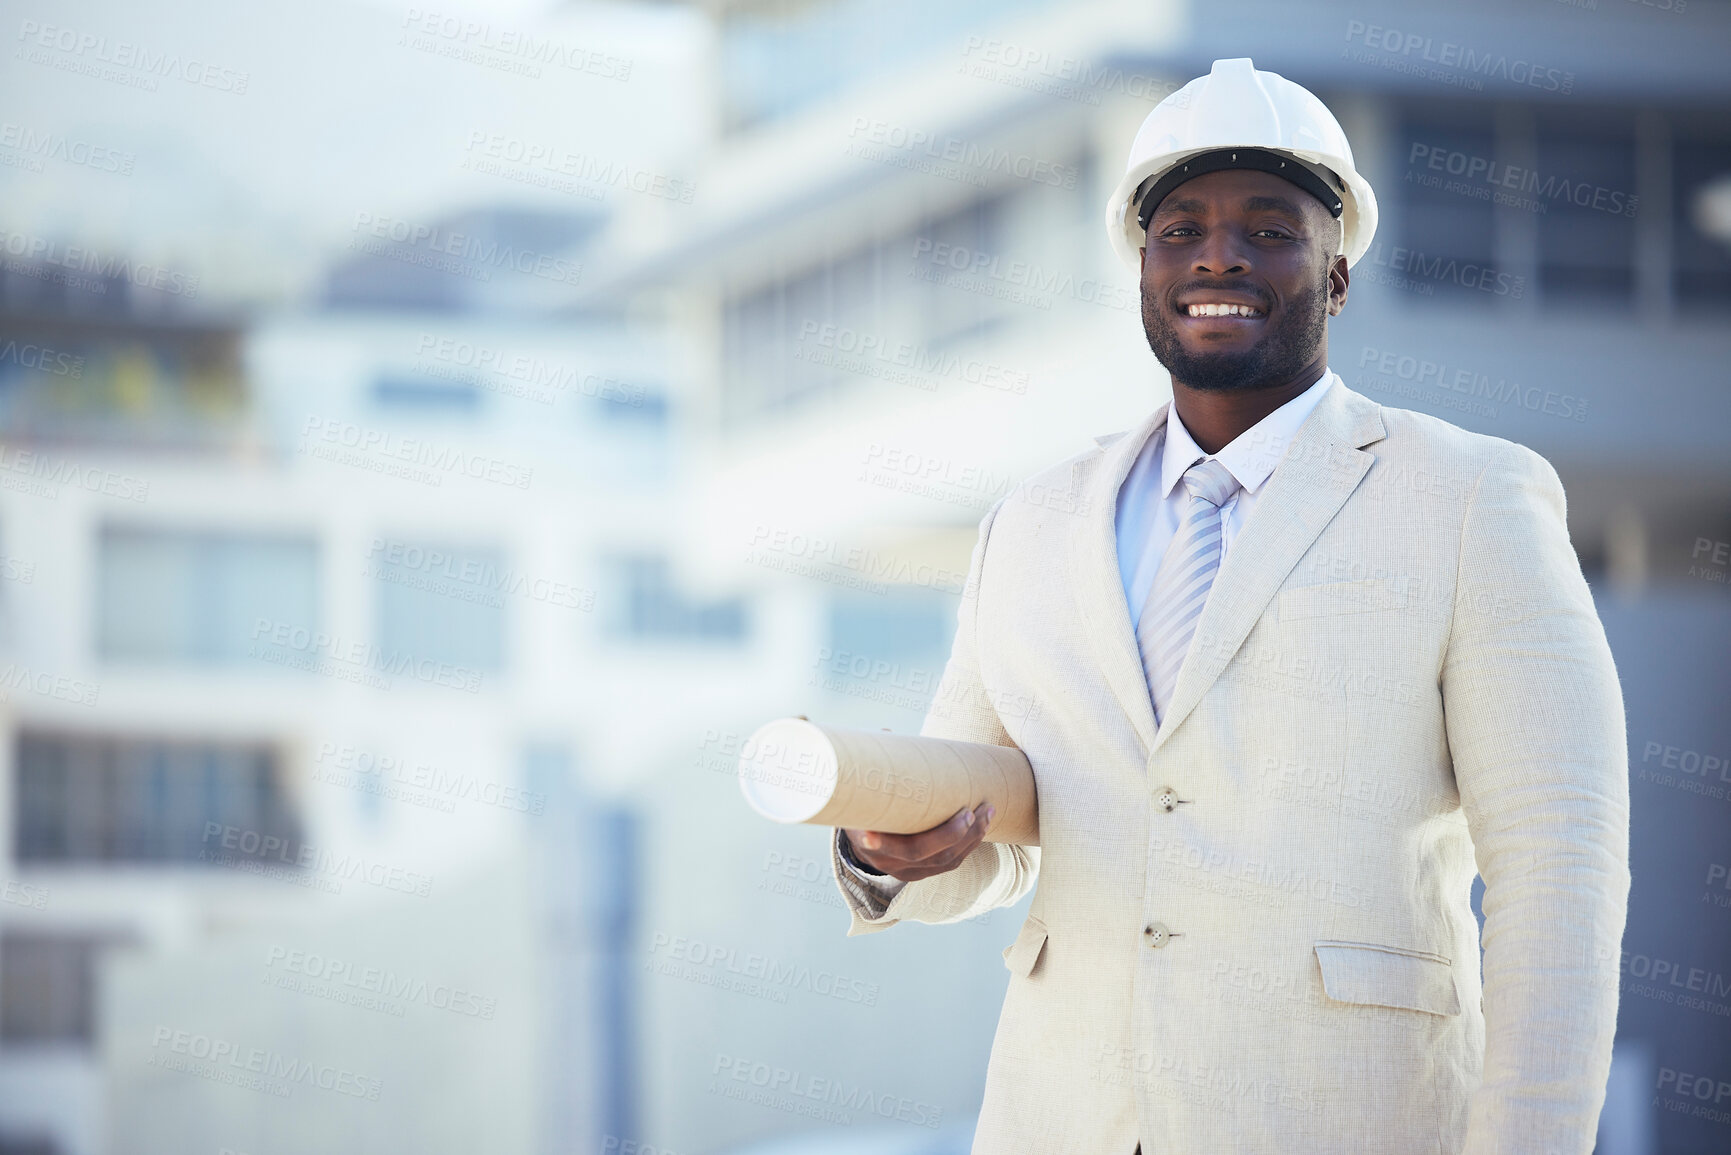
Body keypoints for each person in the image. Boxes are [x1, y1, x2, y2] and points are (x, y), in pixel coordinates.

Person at [830, 58, 1629, 1155]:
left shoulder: (1470, 497)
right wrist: (889, 857)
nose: (1219, 253)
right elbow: (991, 829)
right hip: (1064, 1121)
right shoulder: (1032, 522)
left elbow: (1559, 857)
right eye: (1181, 230)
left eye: (1271, 228)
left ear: (1338, 276)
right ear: (1143, 269)